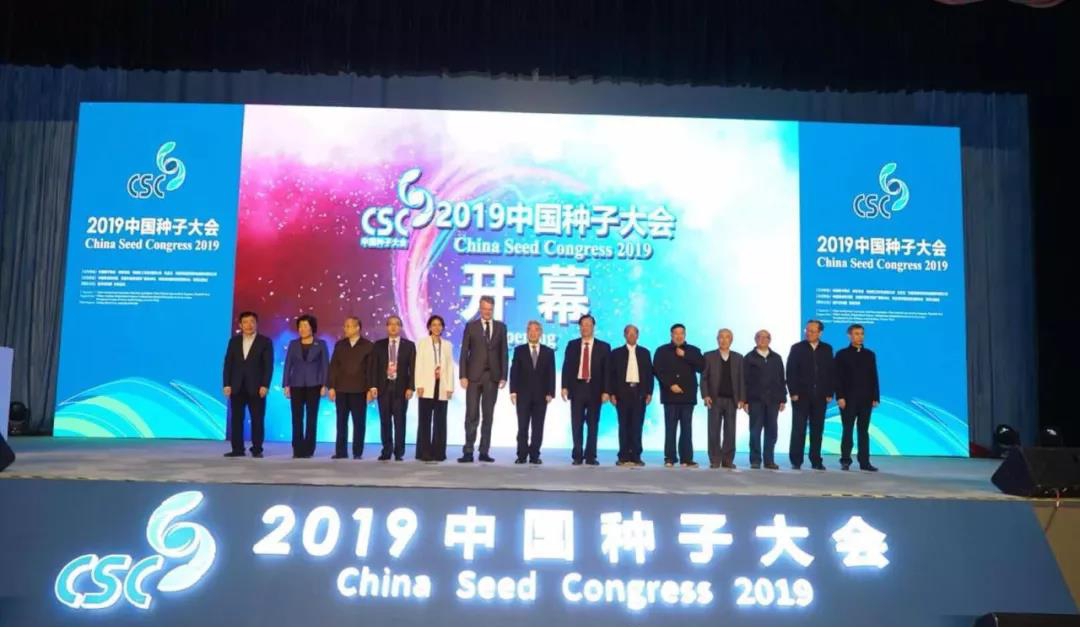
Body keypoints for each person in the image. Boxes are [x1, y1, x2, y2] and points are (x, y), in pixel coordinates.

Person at [458, 296, 508, 463]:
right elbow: (464, 352)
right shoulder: (471, 326)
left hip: (492, 377)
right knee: (471, 414)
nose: (487, 312)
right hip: (473, 377)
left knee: (488, 415)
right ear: (480, 308)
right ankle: (468, 450)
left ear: (493, 309)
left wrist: (504, 376)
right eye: (484, 309)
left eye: (490, 309)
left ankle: (484, 451)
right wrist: (463, 375)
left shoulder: (501, 327)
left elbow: (504, 352)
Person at [561, 314, 611, 466]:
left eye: (588, 325)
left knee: (593, 423)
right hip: (577, 388)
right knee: (576, 423)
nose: (585, 327)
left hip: (595, 389)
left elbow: (607, 371)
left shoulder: (604, 347)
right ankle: (577, 455)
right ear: (579, 327)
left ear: (593, 327)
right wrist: (564, 387)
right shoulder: (572, 345)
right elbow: (566, 367)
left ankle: (590, 456)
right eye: (583, 325)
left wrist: (606, 391)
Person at [653, 324, 705, 468]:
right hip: (670, 395)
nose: (679, 336)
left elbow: (702, 367)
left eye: (681, 333)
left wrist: (685, 355)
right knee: (670, 427)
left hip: (688, 396)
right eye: (676, 333)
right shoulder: (662, 350)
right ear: (671, 335)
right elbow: (657, 370)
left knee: (687, 428)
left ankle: (686, 458)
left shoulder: (693, 350)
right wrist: (670, 384)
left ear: (685, 335)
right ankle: (670, 457)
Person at [222, 311, 274, 458]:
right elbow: (228, 364)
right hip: (236, 386)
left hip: (257, 387)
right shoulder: (234, 341)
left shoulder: (265, 341)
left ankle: (257, 449)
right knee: (236, 419)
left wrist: (265, 385)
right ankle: (237, 449)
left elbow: (268, 366)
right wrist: (226, 384)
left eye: (252, 322)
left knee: (257, 419)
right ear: (240, 325)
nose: (249, 325)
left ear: (256, 324)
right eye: (245, 322)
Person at [786, 319, 835, 471]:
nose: (809, 333)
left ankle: (816, 460)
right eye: (807, 330)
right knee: (799, 429)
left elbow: (831, 371)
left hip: (820, 396)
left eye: (813, 331)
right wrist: (793, 392)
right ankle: (796, 460)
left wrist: (829, 392)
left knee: (817, 429)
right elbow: (791, 371)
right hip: (801, 396)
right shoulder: (797, 348)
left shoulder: (827, 348)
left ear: (820, 333)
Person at [834, 323, 881, 472]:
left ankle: (864, 462)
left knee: (863, 431)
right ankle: (845, 460)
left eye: (861, 334)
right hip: (848, 399)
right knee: (847, 430)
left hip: (866, 399)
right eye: (856, 334)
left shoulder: (870, 354)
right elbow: (837, 378)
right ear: (849, 336)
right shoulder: (841, 354)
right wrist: (840, 396)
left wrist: (875, 396)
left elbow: (874, 376)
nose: (860, 337)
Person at [328, 316, 375, 460]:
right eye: (345, 326)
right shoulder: (340, 345)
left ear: (357, 328)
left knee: (359, 422)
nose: (346, 329)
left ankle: (357, 452)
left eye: (349, 326)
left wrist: (370, 389)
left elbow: (371, 369)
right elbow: (334, 367)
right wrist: (332, 387)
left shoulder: (368, 345)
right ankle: (341, 451)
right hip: (341, 389)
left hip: (360, 390)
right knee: (341, 422)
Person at [282, 314, 329, 458]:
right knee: (296, 418)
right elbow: (288, 365)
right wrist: (286, 384)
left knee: (311, 418)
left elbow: (325, 365)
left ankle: (309, 449)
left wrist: (325, 384)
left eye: (306, 326)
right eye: (300, 326)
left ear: (312, 328)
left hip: (314, 385)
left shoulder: (320, 344)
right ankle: (297, 449)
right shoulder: (293, 344)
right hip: (296, 384)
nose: (302, 329)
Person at [509, 320, 556, 464]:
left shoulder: (548, 351)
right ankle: (522, 455)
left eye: (536, 330)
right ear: (527, 332)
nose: (533, 333)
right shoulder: (519, 350)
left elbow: (551, 373)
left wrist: (550, 392)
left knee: (538, 426)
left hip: (541, 396)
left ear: (540, 333)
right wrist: (513, 391)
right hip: (523, 395)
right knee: (522, 426)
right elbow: (514, 372)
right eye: (530, 330)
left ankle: (535, 455)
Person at [608, 324, 653, 467]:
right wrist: (612, 393)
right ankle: (623, 456)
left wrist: (649, 392)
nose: (632, 336)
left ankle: (636, 456)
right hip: (622, 392)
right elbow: (611, 375)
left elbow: (649, 374)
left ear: (638, 336)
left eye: (634, 333)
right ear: (625, 335)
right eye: (629, 333)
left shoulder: (645, 353)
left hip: (639, 392)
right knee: (624, 425)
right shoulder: (616, 353)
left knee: (637, 425)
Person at [371, 315, 415, 461]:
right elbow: (374, 367)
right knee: (385, 421)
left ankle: (399, 452)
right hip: (383, 387)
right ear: (387, 327)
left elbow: (412, 368)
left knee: (400, 421)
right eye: (390, 324)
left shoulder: (409, 346)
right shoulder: (378, 345)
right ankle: (386, 450)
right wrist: (373, 386)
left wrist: (411, 387)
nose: (393, 326)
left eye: (396, 324)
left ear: (400, 327)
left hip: (401, 388)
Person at [702, 328, 746, 469]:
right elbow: (704, 378)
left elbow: (742, 379)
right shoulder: (708, 356)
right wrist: (705, 395)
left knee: (730, 431)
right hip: (714, 399)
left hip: (732, 400)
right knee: (713, 430)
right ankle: (715, 459)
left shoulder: (738, 357)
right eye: (721, 337)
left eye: (727, 337)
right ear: (717, 339)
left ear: (731, 340)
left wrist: (742, 398)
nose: (724, 340)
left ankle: (727, 460)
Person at [743, 329, 786, 470]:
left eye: (765, 337)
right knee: (755, 431)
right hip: (755, 400)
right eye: (759, 337)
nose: (762, 339)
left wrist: (782, 399)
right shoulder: (749, 358)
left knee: (772, 431)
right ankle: (755, 460)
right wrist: (745, 400)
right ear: (755, 339)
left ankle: (769, 460)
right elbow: (744, 380)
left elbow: (781, 379)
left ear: (770, 340)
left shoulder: (776, 358)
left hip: (773, 401)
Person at [415, 314, 455, 462]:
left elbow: (450, 367)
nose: (437, 327)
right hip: (426, 385)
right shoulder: (422, 343)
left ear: (442, 327)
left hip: (442, 385)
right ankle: (424, 452)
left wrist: (450, 386)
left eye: (439, 325)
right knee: (424, 421)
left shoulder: (447, 345)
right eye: (434, 325)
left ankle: (439, 452)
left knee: (440, 421)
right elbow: (419, 364)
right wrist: (419, 384)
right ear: (429, 327)